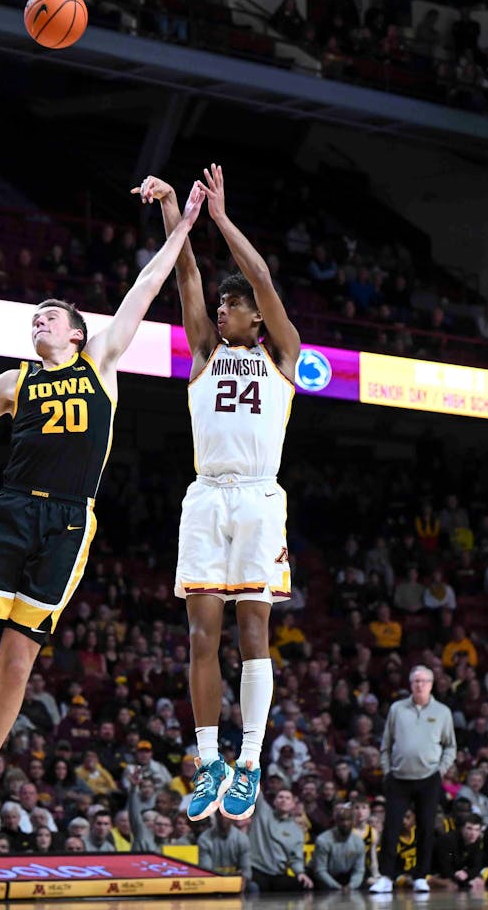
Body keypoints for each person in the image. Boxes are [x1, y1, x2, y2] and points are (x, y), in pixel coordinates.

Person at [0, 184, 206, 850]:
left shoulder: (103, 364)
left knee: (16, 661)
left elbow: (148, 285)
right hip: (9, 513)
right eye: (34, 319)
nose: (38, 323)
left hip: (67, 522)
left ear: (77, 332)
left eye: (48, 317)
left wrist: (180, 222)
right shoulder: (13, 383)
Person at [137, 165, 299, 822]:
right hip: (206, 497)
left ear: (257, 317)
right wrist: (176, 212)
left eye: (235, 305)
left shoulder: (282, 353)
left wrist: (224, 218)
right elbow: (186, 278)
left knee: (253, 630)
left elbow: (259, 276)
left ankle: (251, 762)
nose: (224, 308)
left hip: (260, 499)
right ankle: (209, 762)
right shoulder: (204, 350)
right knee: (202, 635)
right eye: (223, 304)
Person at [369, 665, 454, 893]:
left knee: (426, 828)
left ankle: (421, 876)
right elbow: (385, 744)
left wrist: (440, 770)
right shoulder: (397, 709)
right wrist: (387, 771)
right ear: (410, 684)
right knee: (392, 828)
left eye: (424, 681)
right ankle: (386, 877)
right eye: (416, 681)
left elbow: (450, 746)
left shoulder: (443, 712)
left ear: (431, 684)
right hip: (398, 778)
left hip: (429, 778)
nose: (420, 685)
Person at [310, 804, 365, 892]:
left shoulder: (359, 842)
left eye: (348, 820)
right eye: (342, 820)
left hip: (345, 876)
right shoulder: (323, 840)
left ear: (353, 822)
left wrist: (351, 886)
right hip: (322, 877)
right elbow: (320, 870)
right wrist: (338, 888)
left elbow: (359, 871)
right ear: (336, 821)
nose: (345, 823)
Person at [430, 812, 485, 891]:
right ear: (462, 828)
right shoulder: (448, 840)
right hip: (437, 872)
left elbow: (477, 865)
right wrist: (457, 875)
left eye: (477, 830)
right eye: (469, 828)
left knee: (479, 883)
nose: (473, 833)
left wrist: (467, 874)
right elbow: (444, 867)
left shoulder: (477, 841)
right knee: (451, 886)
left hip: (459, 872)